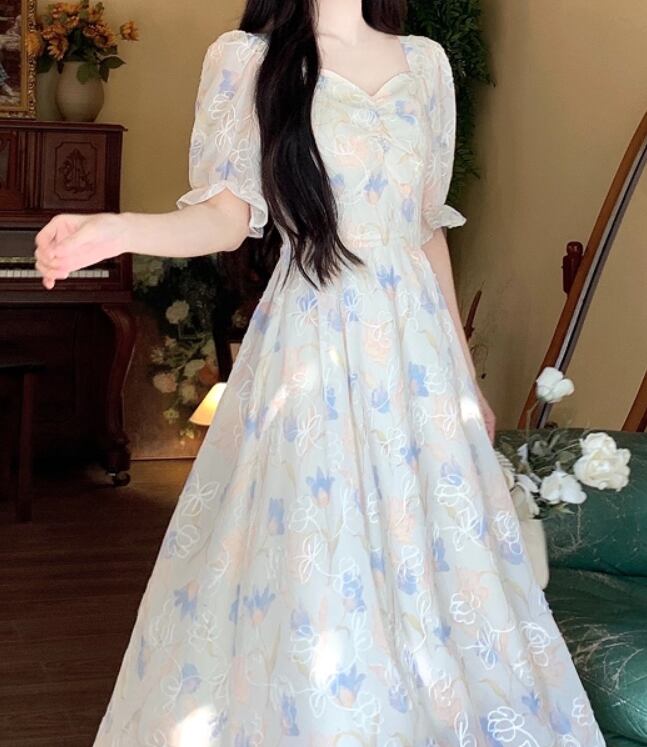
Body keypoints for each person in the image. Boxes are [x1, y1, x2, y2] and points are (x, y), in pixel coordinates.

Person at [35, 1, 605, 744]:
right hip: (312, 347)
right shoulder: (249, 59)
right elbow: (224, 220)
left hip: (418, 359)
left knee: (435, 558)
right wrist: (116, 229)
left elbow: (425, 229)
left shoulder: (427, 65)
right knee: (321, 553)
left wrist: (464, 381)